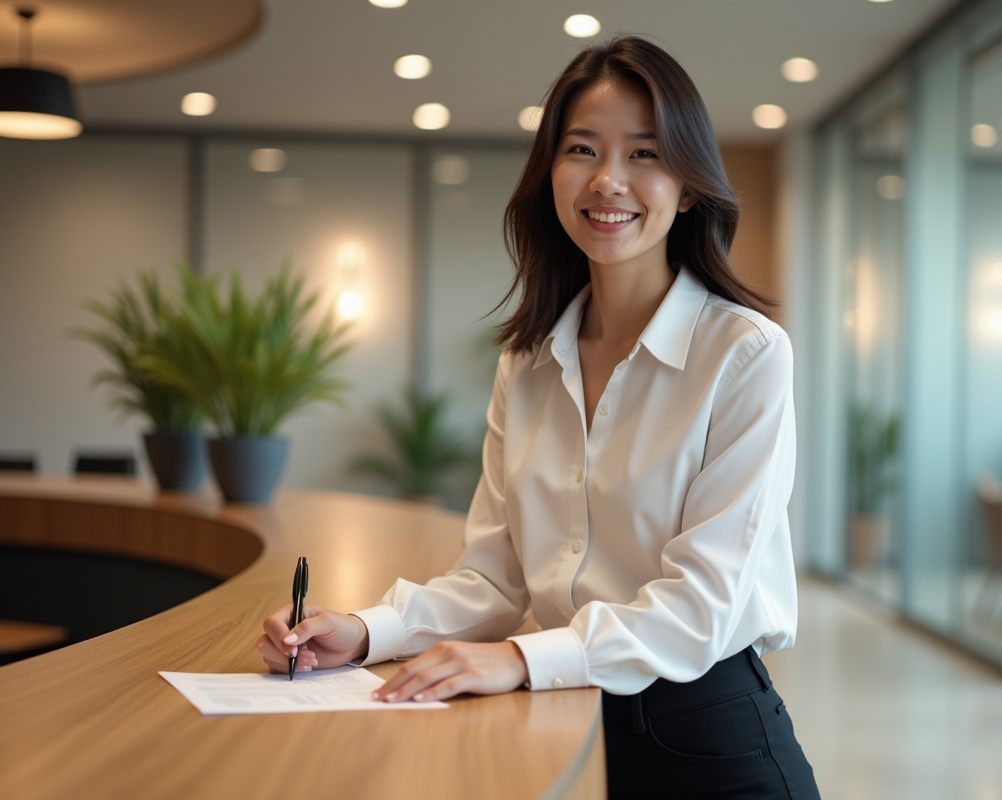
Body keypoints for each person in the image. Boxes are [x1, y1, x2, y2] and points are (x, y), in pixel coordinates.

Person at [256, 35, 821, 800]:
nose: (608, 181)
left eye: (645, 154)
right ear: (550, 173)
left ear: (689, 186)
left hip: (706, 734)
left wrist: (522, 660)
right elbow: (493, 579)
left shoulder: (745, 353)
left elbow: (703, 605)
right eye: (582, 149)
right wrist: (361, 633)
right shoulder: (526, 364)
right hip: (564, 717)